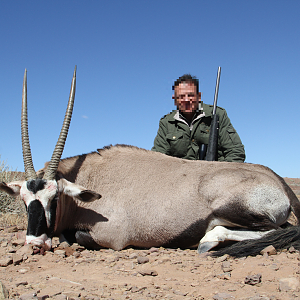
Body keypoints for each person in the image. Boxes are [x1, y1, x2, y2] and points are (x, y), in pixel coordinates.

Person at [151, 74, 245, 162]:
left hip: (214, 175)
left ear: (199, 96)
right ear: (175, 100)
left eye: (190, 95)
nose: (187, 100)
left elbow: (236, 152)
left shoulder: (218, 114)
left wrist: (219, 174)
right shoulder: (166, 123)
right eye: (181, 96)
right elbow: (158, 158)